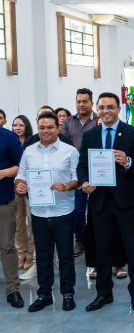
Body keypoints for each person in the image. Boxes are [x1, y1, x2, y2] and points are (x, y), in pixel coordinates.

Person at [77, 92, 134, 313]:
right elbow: (82, 165)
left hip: (126, 202)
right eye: (102, 107)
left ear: (118, 109)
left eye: (110, 107)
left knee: (132, 250)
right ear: (97, 109)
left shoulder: (132, 132)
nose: (105, 111)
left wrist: (127, 161)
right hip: (99, 202)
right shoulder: (90, 135)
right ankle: (103, 294)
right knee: (102, 250)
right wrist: (84, 182)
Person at [15, 112, 80, 312]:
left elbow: (77, 179)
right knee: (43, 255)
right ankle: (44, 294)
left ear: (58, 128)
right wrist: (20, 185)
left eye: (50, 127)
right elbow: (20, 175)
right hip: (39, 213)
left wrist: (66, 186)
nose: (46, 131)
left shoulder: (70, 151)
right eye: (42, 127)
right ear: (37, 128)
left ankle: (68, 293)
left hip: (63, 211)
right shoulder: (29, 152)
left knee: (66, 255)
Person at [61, 88, 98, 258]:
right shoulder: (68, 122)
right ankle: (80, 241)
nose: (81, 104)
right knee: (79, 209)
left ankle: (96, 240)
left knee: (97, 209)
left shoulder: (99, 120)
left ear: (91, 102)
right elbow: (63, 145)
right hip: (76, 173)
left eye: (85, 101)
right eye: (78, 101)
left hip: (97, 171)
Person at [0, 123, 25, 309]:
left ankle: (12, 289)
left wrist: (4, 173)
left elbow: (22, 165)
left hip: (3, 200)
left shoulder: (7, 136)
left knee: (7, 246)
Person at [12, 115, 35, 272]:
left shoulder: (32, 142)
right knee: (18, 222)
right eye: (15, 125)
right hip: (14, 187)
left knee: (31, 223)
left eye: (21, 125)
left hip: (31, 187)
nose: (17, 128)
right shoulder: (10, 141)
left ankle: (30, 254)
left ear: (27, 126)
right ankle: (21, 253)